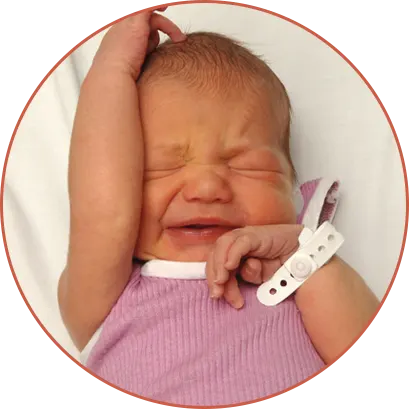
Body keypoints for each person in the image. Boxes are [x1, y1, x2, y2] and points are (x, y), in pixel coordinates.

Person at [58, 8, 398, 406]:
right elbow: (102, 212)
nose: (207, 188)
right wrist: (111, 71)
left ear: (290, 186)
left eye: (247, 165)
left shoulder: (300, 269)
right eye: (161, 167)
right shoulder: (108, 297)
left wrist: (308, 261)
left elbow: (385, 374)